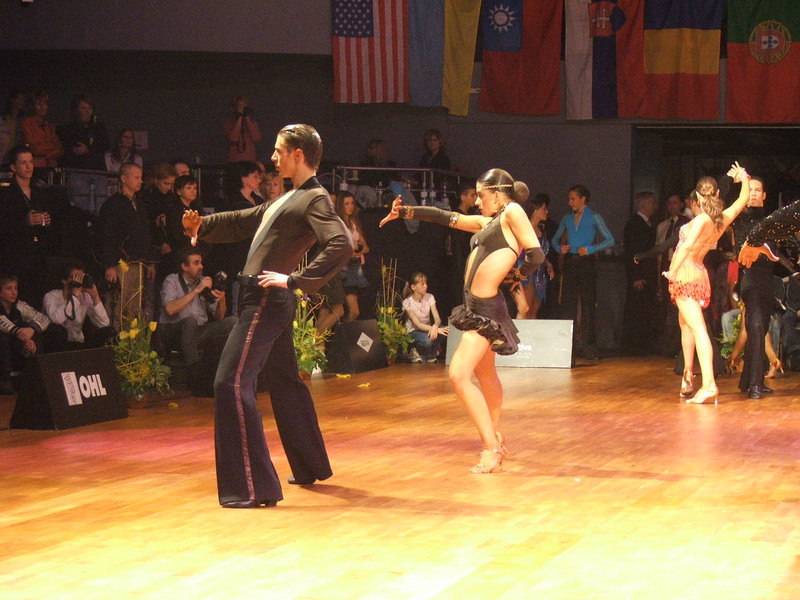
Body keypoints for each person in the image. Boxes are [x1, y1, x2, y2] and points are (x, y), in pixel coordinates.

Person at [181, 123, 352, 508]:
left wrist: (296, 280)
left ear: (298, 155)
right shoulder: (290, 197)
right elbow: (244, 219)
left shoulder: (314, 198)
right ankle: (309, 465)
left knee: (230, 383)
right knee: (285, 382)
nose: (272, 158)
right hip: (264, 299)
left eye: (279, 151)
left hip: (263, 300)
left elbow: (341, 244)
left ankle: (253, 488)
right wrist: (201, 227)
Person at [380, 168, 544, 474]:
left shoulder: (512, 211)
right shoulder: (488, 221)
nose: (477, 202)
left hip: (486, 310)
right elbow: (447, 217)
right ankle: (494, 434)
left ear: (497, 194)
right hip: (474, 307)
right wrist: (405, 211)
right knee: (486, 374)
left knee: (458, 374)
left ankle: (490, 446)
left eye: (481, 195)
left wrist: (518, 275)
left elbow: (536, 255)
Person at [665, 163, 751, 404]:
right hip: (698, 272)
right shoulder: (721, 219)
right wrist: (743, 177)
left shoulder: (702, 220)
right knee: (685, 325)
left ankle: (709, 384)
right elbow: (742, 200)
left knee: (698, 329)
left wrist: (672, 272)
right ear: (717, 194)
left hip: (686, 273)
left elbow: (686, 247)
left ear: (698, 196)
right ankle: (687, 376)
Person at [155, 247, 237, 396]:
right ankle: (196, 376)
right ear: (184, 266)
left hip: (197, 332)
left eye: (201, 263)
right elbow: (170, 309)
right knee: (190, 322)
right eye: (196, 263)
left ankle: (228, 372)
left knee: (232, 321)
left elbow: (220, 316)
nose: (201, 266)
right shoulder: (172, 280)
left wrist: (222, 298)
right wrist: (196, 291)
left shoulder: (202, 282)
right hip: (173, 333)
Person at [550, 185, 615, 360]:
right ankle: (568, 346)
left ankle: (589, 347)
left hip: (586, 262)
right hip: (571, 262)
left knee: (588, 304)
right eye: (569, 199)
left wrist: (591, 249)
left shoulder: (594, 216)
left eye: (573, 199)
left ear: (582, 199)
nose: (569, 202)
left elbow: (610, 240)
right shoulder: (567, 218)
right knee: (568, 305)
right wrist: (559, 248)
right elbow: (554, 240)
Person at [0, 145, 53, 307]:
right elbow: (4, 225)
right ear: (13, 167)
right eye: (23, 163)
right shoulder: (6, 193)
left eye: (30, 162)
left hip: (38, 255)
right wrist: (25, 222)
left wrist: (47, 221)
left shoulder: (40, 190)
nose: (29, 166)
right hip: (15, 256)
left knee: (37, 299)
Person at [42, 262, 113, 352]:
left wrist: (95, 297)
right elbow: (57, 320)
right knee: (57, 330)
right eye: (76, 277)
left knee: (108, 331)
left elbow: (104, 323)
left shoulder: (84, 296)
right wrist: (74, 296)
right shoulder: (51, 296)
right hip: (57, 345)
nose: (79, 281)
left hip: (78, 344)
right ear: (64, 281)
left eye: (81, 277)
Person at [0, 274, 50, 394]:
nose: (14, 292)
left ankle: (35, 377)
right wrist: (23, 336)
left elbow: (44, 318)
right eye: (9, 288)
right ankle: (4, 381)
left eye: (16, 288)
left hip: (15, 344)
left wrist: (31, 330)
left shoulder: (20, 306)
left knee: (35, 333)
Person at [622, 192, 658, 354]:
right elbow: (631, 252)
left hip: (647, 275)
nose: (654, 207)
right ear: (644, 205)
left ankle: (643, 344)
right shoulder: (634, 224)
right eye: (652, 203)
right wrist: (636, 276)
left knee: (645, 310)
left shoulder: (648, 224)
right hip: (639, 276)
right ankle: (634, 346)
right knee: (636, 310)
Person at [335, 190, 370, 321]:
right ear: (341, 206)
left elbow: (366, 247)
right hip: (344, 270)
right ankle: (343, 332)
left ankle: (346, 331)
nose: (350, 206)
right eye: (347, 204)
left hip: (357, 268)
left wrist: (357, 249)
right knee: (352, 310)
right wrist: (352, 249)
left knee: (355, 310)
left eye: (352, 203)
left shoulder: (354, 222)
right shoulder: (338, 224)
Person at [520, 193, 555, 319]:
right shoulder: (524, 228)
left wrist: (548, 264)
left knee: (534, 311)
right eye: (544, 208)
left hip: (539, 274)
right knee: (526, 309)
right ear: (535, 210)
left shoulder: (541, 229)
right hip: (527, 271)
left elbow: (540, 253)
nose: (547, 211)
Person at [402, 272, 448, 362]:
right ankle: (414, 351)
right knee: (426, 340)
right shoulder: (407, 302)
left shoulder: (430, 297)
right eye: (422, 284)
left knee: (444, 330)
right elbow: (418, 324)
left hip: (427, 329)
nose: (426, 286)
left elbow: (437, 318)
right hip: (414, 332)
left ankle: (432, 354)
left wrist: (435, 327)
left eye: (426, 283)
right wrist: (435, 329)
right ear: (413, 287)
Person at [19, 90, 63, 169]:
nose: (42, 107)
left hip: (51, 168)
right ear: (32, 106)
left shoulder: (50, 127)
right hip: (35, 167)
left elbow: (60, 150)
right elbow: (34, 149)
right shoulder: (27, 124)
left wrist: (46, 155)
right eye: (39, 104)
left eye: (45, 104)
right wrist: (51, 149)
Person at [223, 94, 262, 162]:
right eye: (240, 106)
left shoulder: (252, 123)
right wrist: (239, 118)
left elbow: (256, 138)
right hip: (234, 160)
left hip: (250, 160)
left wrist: (247, 118)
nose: (242, 109)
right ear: (234, 108)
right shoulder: (229, 124)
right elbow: (233, 139)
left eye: (244, 107)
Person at [0, 91, 27, 164]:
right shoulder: (4, 119)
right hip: (4, 154)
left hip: (16, 155)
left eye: (23, 100)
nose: (22, 102)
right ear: (12, 100)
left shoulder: (23, 120)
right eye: (20, 99)